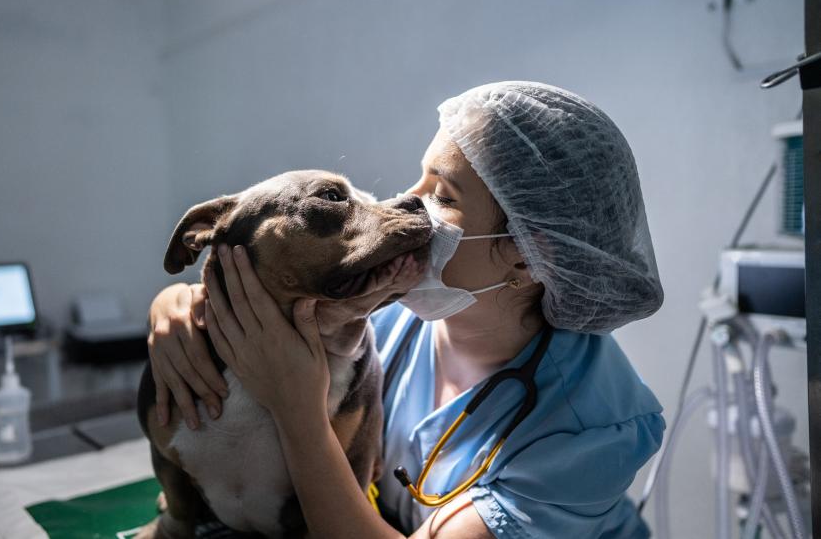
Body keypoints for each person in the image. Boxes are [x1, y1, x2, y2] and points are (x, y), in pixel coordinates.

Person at [147, 81, 666, 538]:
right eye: (420, 179)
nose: (405, 203)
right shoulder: (392, 314)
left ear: (530, 255)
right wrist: (178, 307)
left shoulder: (593, 432)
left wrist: (296, 409)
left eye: (444, 196)